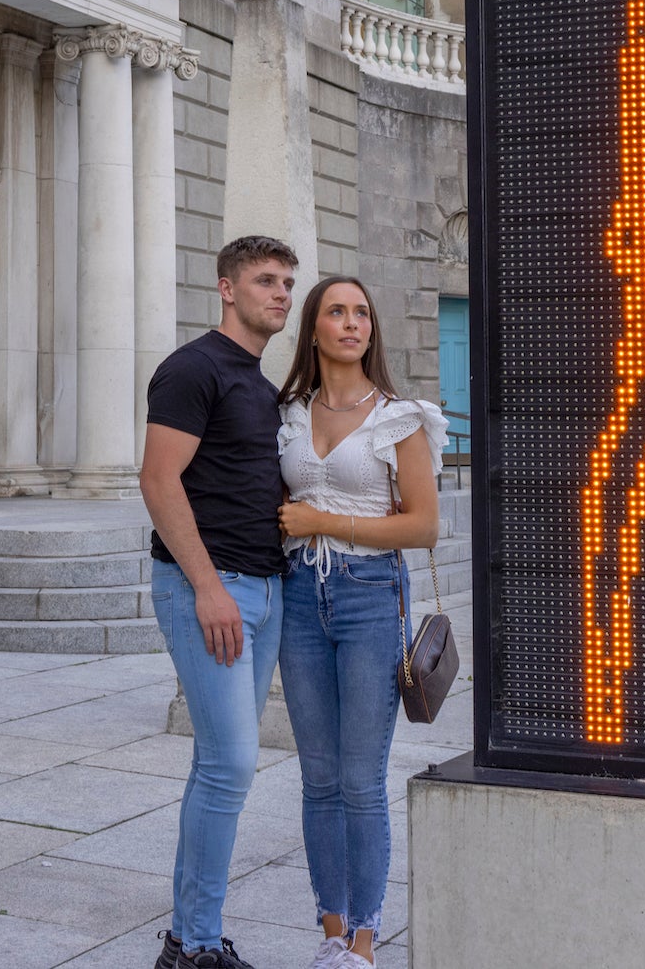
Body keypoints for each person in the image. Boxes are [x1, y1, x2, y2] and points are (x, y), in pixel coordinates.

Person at [274, 277, 447, 969]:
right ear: (313, 329)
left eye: (361, 313)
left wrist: (323, 520)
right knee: (316, 777)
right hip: (297, 595)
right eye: (336, 312)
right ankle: (330, 930)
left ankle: (365, 945)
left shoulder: (398, 417)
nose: (352, 324)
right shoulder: (286, 412)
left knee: (358, 779)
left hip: (370, 594)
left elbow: (424, 526)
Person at [142, 235, 301, 969]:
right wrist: (207, 586)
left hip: (263, 588)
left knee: (221, 764)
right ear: (227, 289)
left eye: (287, 282)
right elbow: (158, 480)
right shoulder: (192, 368)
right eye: (266, 280)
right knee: (232, 764)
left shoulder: (261, 384)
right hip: (211, 587)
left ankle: (192, 935)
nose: (281, 293)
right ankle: (193, 944)